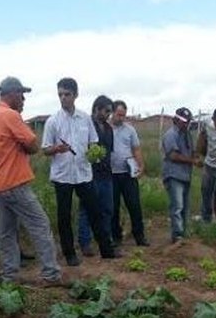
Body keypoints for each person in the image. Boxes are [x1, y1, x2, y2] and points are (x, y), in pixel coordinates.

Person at [0, 76, 64, 286]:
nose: (23, 99)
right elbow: (32, 144)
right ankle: (51, 273)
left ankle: (10, 274)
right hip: (14, 182)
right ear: (11, 94)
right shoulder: (10, 115)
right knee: (40, 225)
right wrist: (25, 145)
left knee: (6, 232)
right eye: (21, 94)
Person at [42, 78, 120, 266]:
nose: (63, 98)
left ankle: (106, 250)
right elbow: (45, 149)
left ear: (75, 95)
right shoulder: (53, 121)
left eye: (67, 94)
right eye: (60, 94)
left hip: (84, 173)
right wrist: (57, 148)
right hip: (63, 175)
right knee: (64, 216)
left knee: (95, 211)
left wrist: (94, 152)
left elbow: (93, 142)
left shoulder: (85, 118)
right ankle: (70, 254)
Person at [76, 95, 115, 257]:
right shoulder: (86, 125)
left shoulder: (108, 128)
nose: (108, 115)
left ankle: (105, 240)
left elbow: (109, 150)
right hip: (90, 174)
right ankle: (85, 242)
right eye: (106, 111)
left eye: (110, 112)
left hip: (106, 174)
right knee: (87, 210)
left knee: (107, 209)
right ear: (96, 109)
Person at [109, 100, 150, 247]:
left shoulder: (129, 130)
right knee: (113, 208)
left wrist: (141, 165)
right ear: (112, 112)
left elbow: (136, 149)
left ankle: (139, 235)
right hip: (111, 174)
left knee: (134, 205)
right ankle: (116, 236)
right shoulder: (105, 128)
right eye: (119, 115)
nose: (121, 118)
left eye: (124, 115)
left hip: (128, 173)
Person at [161, 107, 199, 244]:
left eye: (187, 121)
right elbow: (173, 155)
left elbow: (192, 151)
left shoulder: (187, 134)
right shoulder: (171, 135)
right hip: (173, 174)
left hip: (185, 175)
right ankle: (177, 234)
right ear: (176, 120)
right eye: (184, 121)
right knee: (177, 206)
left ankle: (183, 232)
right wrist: (192, 161)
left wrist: (196, 157)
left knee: (185, 206)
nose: (186, 124)